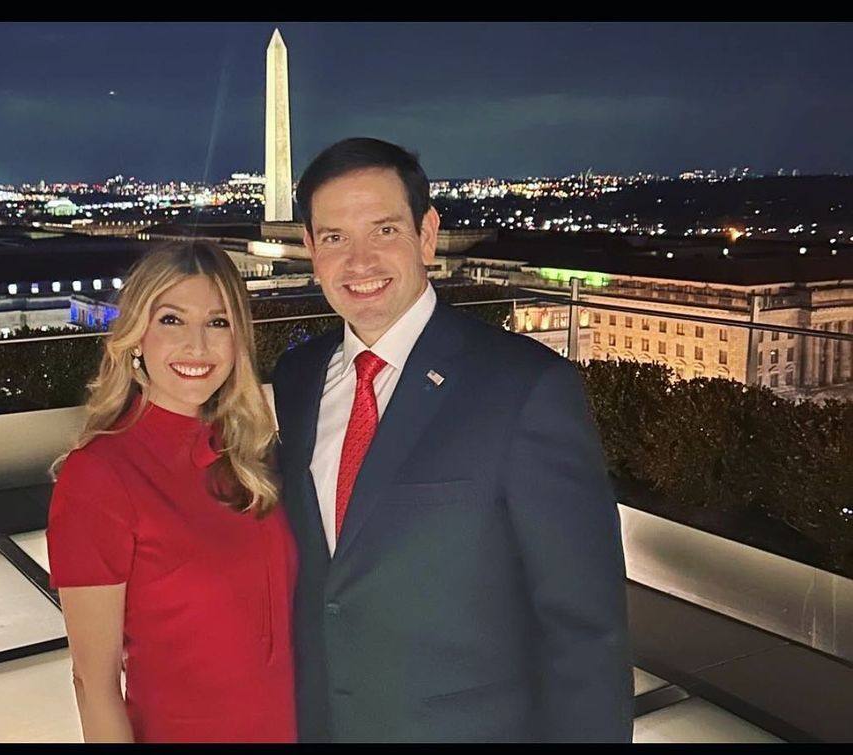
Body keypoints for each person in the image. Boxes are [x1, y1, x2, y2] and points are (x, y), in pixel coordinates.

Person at [271, 137, 633, 742]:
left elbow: (584, 628)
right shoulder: (299, 376)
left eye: (384, 230)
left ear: (427, 233)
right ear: (309, 248)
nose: (359, 262)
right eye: (334, 237)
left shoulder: (526, 387)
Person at [46, 241, 297, 743]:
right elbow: (93, 686)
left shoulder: (252, 458)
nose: (197, 347)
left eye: (218, 322)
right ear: (136, 335)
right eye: (172, 320)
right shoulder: (98, 477)